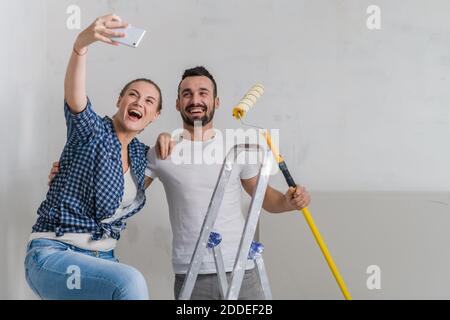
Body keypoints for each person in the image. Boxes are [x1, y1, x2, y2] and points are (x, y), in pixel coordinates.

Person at [50, 66, 310, 300]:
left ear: (216, 101)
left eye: (202, 93)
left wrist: (289, 201)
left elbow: (266, 199)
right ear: (177, 104)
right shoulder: (161, 152)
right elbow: (121, 189)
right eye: (187, 94)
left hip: (243, 267)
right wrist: (73, 174)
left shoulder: (236, 147)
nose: (195, 100)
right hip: (192, 272)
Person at [25, 14, 162, 300]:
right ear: (119, 101)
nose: (139, 102)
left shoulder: (140, 155)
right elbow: (76, 99)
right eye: (133, 95)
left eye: (149, 101)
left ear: (154, 117)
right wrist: (81, 46)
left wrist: (169, 139)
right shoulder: (92, 130)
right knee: (130, 282)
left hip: (102, 259)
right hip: (55, 253)